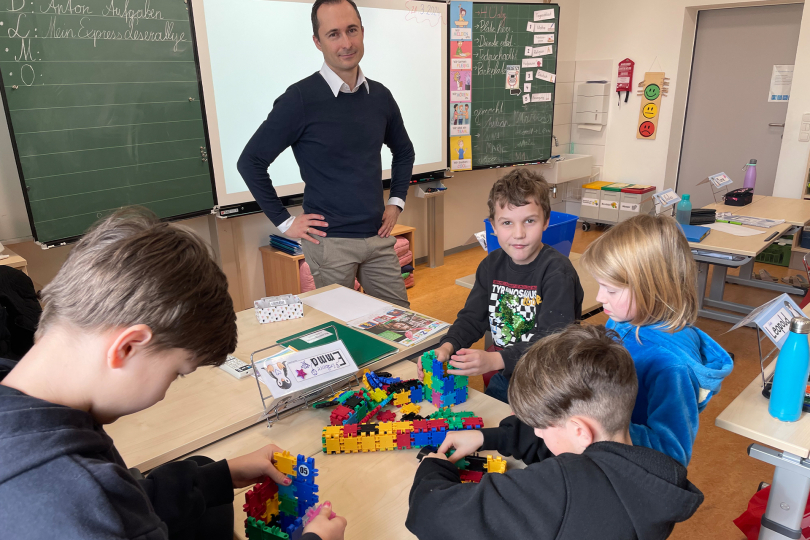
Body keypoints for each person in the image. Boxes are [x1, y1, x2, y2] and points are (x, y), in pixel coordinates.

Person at [0, 209, 347, 540]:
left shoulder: (27, 405)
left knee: (200, 465)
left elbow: (128, 498)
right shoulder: (84, 504)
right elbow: (112, 508)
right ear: (128, 347)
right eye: (176, 373)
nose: (166, 390)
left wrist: (219, 476)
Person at [406, 324, 704, 540]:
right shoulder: (652, 469)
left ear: (579, 430)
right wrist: (489, 437)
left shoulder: (562, 491)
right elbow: (561, 443)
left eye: (540, 426)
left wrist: (434, 468)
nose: (537, 433)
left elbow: (433, 514)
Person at [237, 0, 414, 308]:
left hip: (378, 236)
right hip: (329, 244)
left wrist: (396, 202)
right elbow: (250, 162)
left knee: (399, 321)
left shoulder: (380, 96)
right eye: (333, 34)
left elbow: (404, 151)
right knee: (340, 324)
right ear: (317, 42)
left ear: (362, 32)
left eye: (352, 30)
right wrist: (284, 223)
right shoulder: (299, 99)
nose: (346, 43)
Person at [418, 168, 583, 403]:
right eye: (507, 223)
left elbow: (553, 340)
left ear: (546, 221)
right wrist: (447, 346)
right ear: (493, 226)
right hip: (506, 376)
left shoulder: (558, 271)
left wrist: (496, 360)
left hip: (549, 383)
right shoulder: (491, 266)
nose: (519, 233)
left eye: (529, 221)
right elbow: (472, 318)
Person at [580, 214, 733, 466]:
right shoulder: (622, 319)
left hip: (628, 469)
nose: (600, 297)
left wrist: (602, 428)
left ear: (653, 289)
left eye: (611, 290)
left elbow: (673, 452)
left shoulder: (671, 366)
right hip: (600, 449)